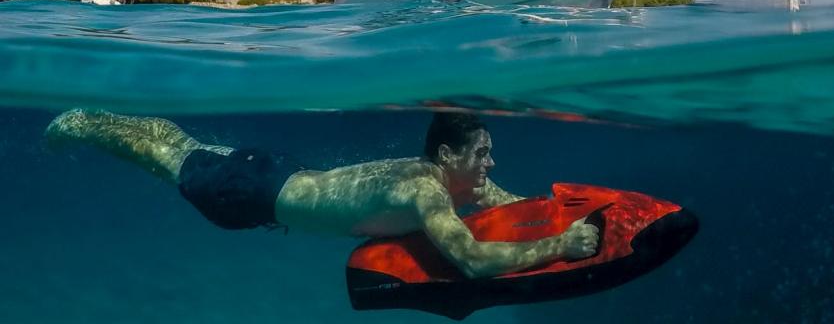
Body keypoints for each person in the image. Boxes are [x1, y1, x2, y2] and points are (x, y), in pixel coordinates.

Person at [45, 109, 598, 278]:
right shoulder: (424, 192)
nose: (490, 164)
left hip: (282, 169)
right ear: (448, 157)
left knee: (174, 137)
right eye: (481, 154)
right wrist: (561, 247)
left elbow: (497, 196)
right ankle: (77, 125)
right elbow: (474, 261)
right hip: (246, 194)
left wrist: (558, 214)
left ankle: (95, 119)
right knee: (159, 154)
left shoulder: (443, 174)